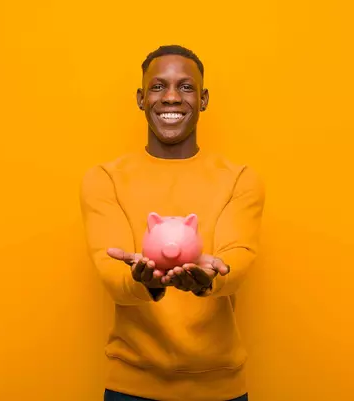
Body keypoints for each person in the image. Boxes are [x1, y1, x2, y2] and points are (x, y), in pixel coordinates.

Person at [79, 45, 265, 401]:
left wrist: (211, 277)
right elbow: (111, 270)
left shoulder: (239, 179)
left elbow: (238, 257)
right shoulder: (105, 179)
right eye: (158, 86)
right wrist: (144, 282)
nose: (171, 97)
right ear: (141, 98)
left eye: (186, 87)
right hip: (130, 388)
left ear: (203, 99)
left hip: (221, 390)